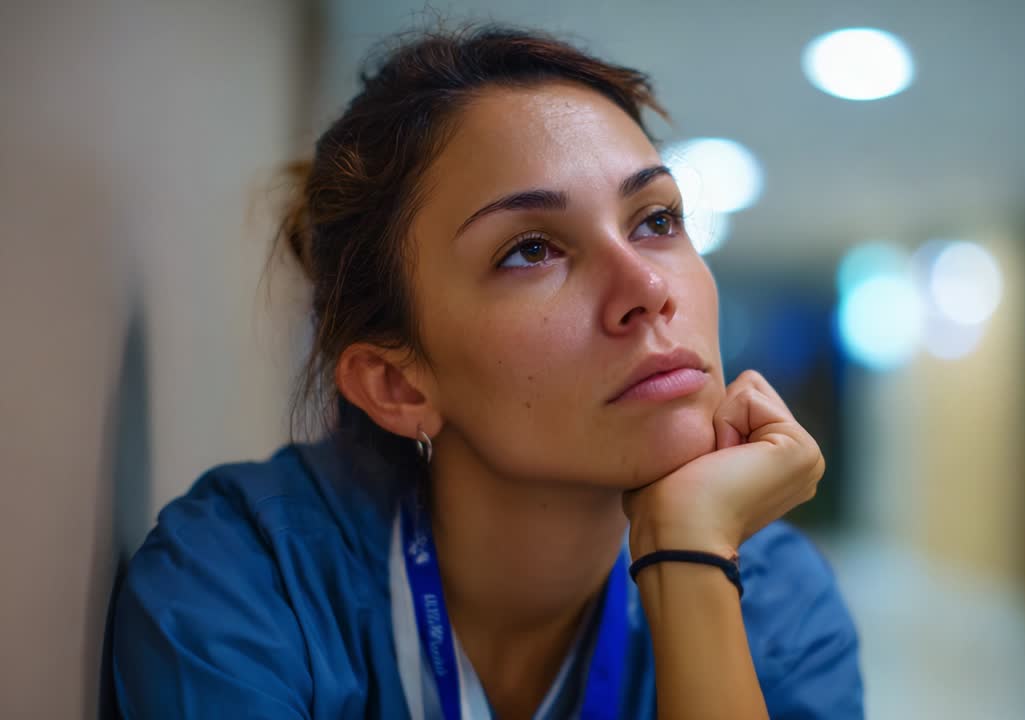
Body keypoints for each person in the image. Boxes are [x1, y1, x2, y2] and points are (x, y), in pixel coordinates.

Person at [107, 24, 864, 720]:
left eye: (656, 220)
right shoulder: (245, 584)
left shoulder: (776, 604)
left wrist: (688, 554)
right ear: (398, 386)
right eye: (531, 249)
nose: (648, 289)